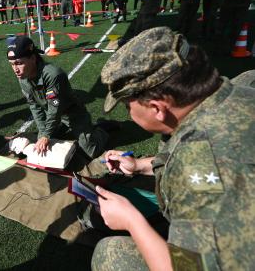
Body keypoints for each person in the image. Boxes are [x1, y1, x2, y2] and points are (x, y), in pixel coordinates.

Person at [91, 26, 255, 270]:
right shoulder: (240, 88)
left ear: (158, 108)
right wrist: (139, 165)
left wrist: (132, 221)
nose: (128, 113)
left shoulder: (200, 164)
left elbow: (190, 267)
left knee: (111, 254)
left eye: (127, 106)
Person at [7, 36, 110, 158]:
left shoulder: (53, 75)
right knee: (44, 143)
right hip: (52, 115)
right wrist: (43, 133)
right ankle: (60, 130)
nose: (15, 70)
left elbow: (55, 108)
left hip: (72, 113)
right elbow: (34, 106)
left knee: (90, 150)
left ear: (33, 58)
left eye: (19, 63)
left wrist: (46, 135)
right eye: (12, 64)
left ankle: (101, 128)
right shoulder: (23, 77)